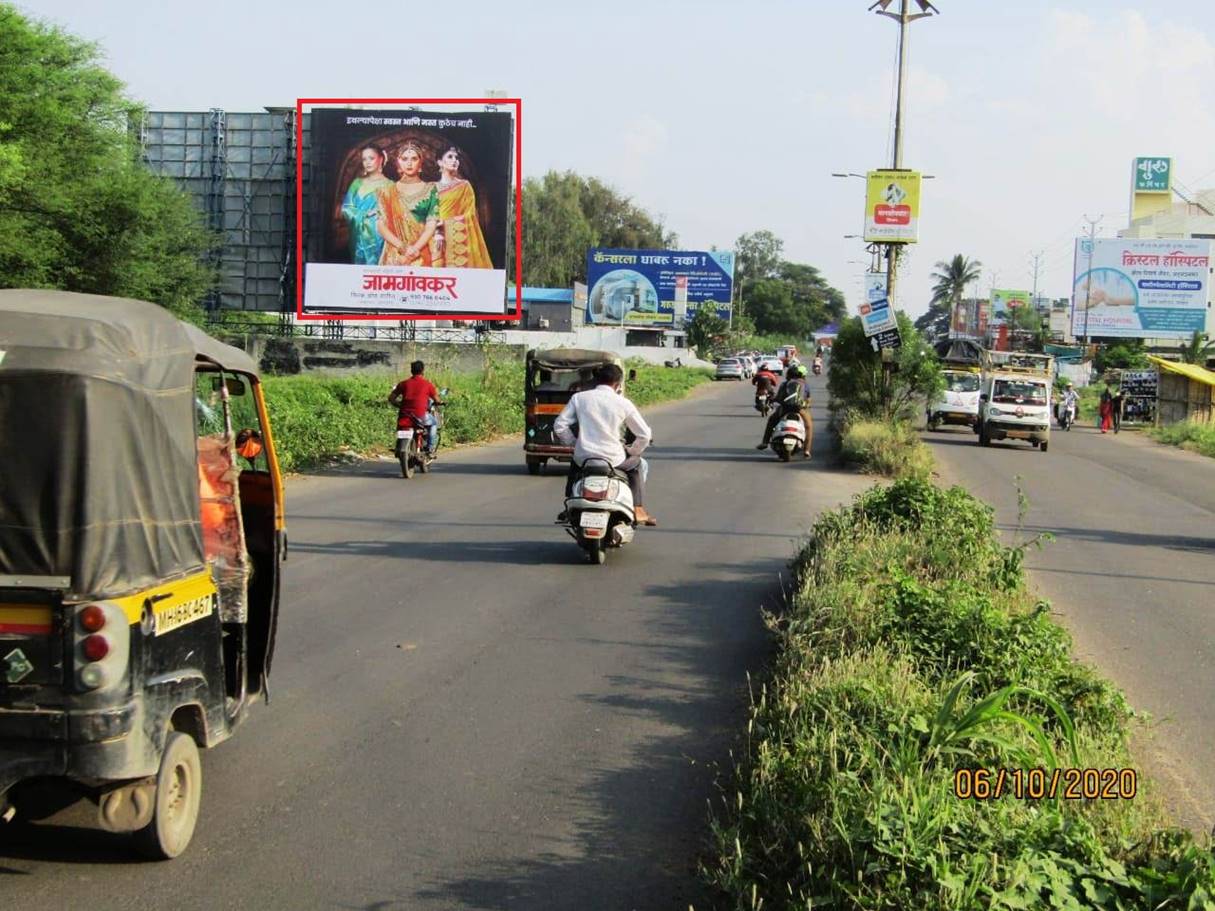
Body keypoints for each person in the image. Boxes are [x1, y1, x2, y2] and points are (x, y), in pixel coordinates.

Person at [553, 363, 656, 527]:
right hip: (614, 460)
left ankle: (569, 504)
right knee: (637, 464)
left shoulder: (579, 398)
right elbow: (644, 434)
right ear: (618, 383)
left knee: (575, 467)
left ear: (596, 380)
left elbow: (560, 425)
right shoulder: (623, 403)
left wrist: (574, 444)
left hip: (584, 458)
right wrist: (632, 450)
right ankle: (638, 508)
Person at [377, 141, 440, 266]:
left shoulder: (431, 189)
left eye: (414, 159)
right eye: (404, 159)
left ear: (420, 164)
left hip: (421, 252)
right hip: (394, 254)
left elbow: (431, 225)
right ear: (398, 164)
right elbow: (381, 225)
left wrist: (415, 249)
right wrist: (403, 247)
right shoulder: (387, 191)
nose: (409, 163)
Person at [434, 146, 494, 269]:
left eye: (456, 157)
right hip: (435, 239)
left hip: (457, 241)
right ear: (440, 162)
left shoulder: (464, 186)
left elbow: (470, 215)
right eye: (450, 156)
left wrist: (445, 224)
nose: (455, 160)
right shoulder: (431, 188)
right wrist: (436, 231)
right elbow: (427, 215)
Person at [339, 145, 392, 265]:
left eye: (371, 158)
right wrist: (363, 215)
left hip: (380, 237)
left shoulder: (391, 186)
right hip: (358, 236)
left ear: (381, 159)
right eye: (364, 159)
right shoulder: (357, 183)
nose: (367, 162)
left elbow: (394, 213)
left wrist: (379, 214)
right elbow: (346, 208)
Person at [757, 365, 813, 458]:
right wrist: (806, 405)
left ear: (789, 375)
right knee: (809, 426)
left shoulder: (784, 384)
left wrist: (774, 400)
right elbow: (808, 398)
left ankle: (765, 442)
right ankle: (807, 450)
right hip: (799, 409)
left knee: (772, 420)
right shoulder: (804, 384)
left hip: (785, 408)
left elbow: (779, 397)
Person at [388, 360, 444, 453]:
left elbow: (391, 398)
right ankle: (430, 447)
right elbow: (437, 400)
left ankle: (398, 446)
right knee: (433, 424)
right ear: (422, 371)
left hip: (405, 414)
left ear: (411, 371)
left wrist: (399, 405)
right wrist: (439, 402)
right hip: (420, 415)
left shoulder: (403, 384)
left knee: (402, 427)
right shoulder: (428, 384)